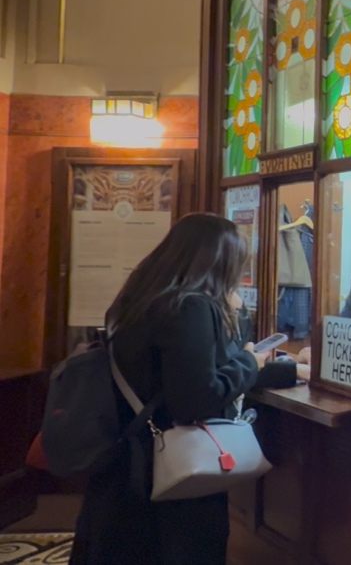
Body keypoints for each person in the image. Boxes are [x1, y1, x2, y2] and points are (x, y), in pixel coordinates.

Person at [69, 213, 297, 565]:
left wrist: (282, 369)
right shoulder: (190, 307)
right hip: (169, 477)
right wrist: (249, 362)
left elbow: (187, 372)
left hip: (126, 465)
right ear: (219, 262)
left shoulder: (140, 300)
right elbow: (197, 397)